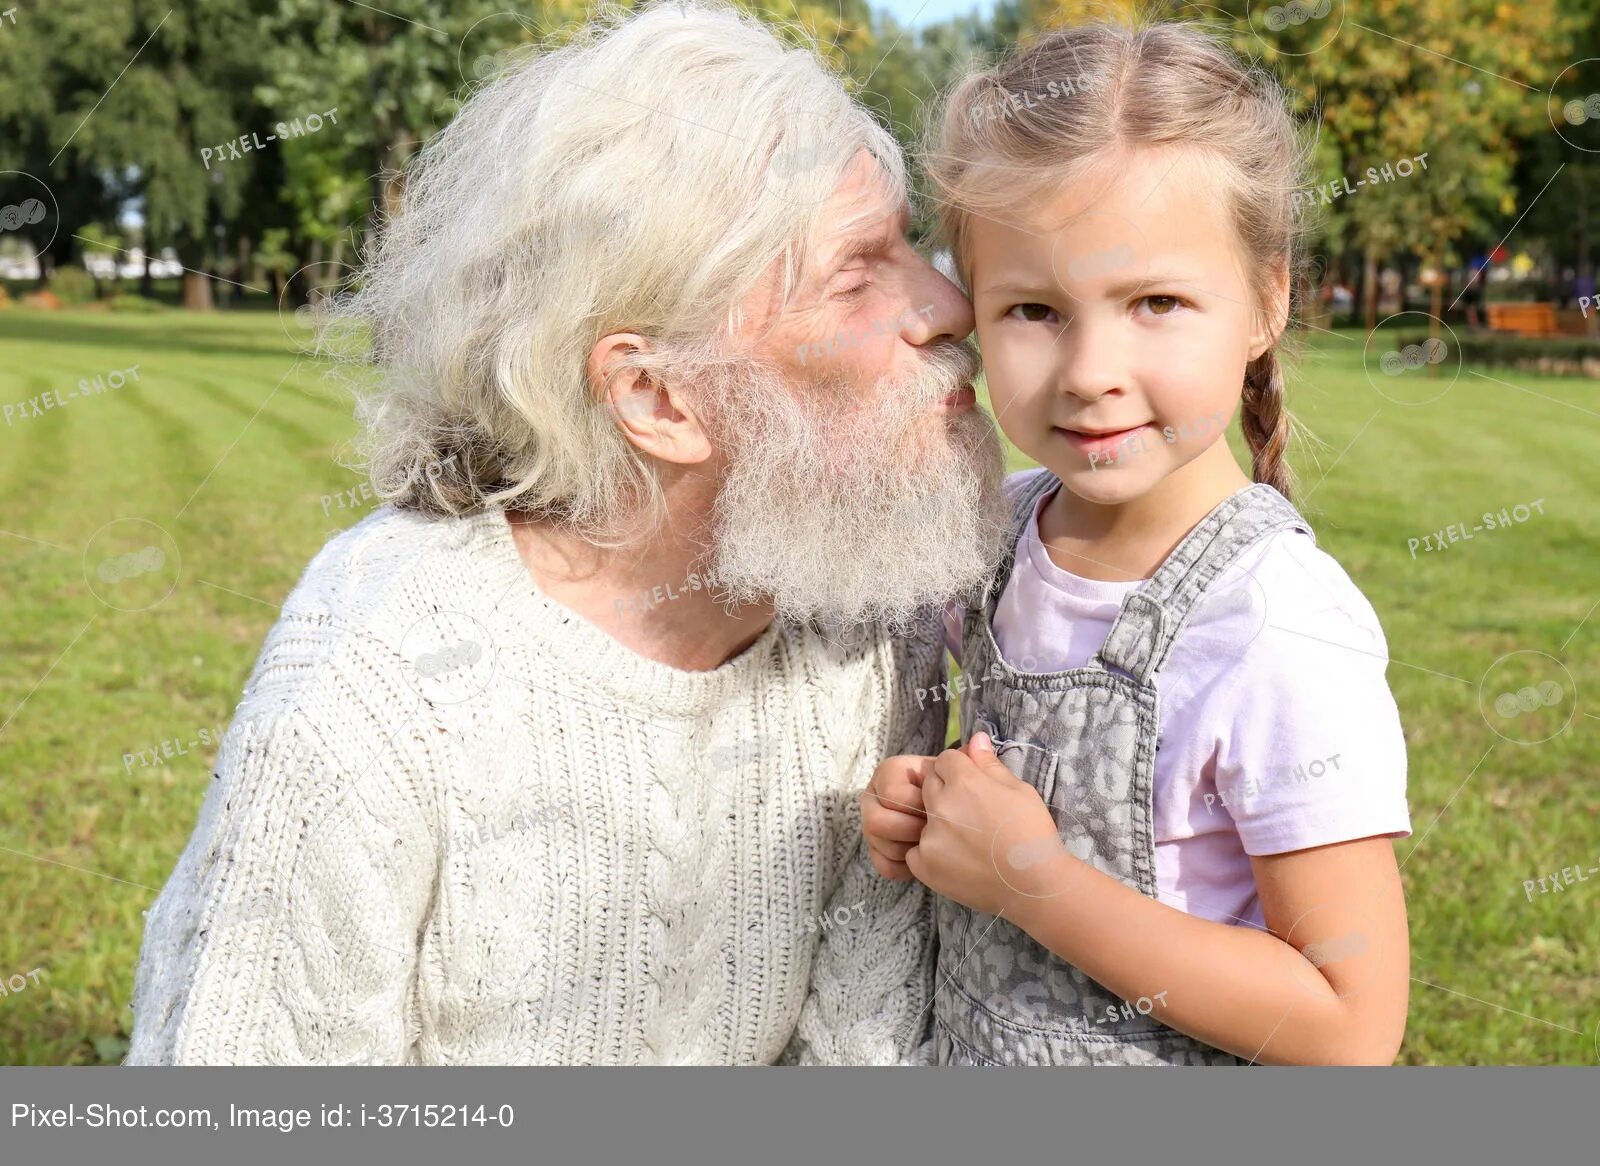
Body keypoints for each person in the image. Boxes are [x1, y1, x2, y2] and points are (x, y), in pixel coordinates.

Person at [123, 0, 1007, 1066]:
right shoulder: (377, 678)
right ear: (656, 397)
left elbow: (863, 1057)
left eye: (910, 243)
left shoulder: (870, 608)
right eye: (858, 270)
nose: (951, 305)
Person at [862, 18, 1412, 1065]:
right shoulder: (998, 532)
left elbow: (1348, 1025)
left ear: (1265, 299)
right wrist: (930, 809)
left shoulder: (1272, 624)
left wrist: (1034, 879)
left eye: (1155, 301)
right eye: (1032, 308)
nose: (1087, 370)